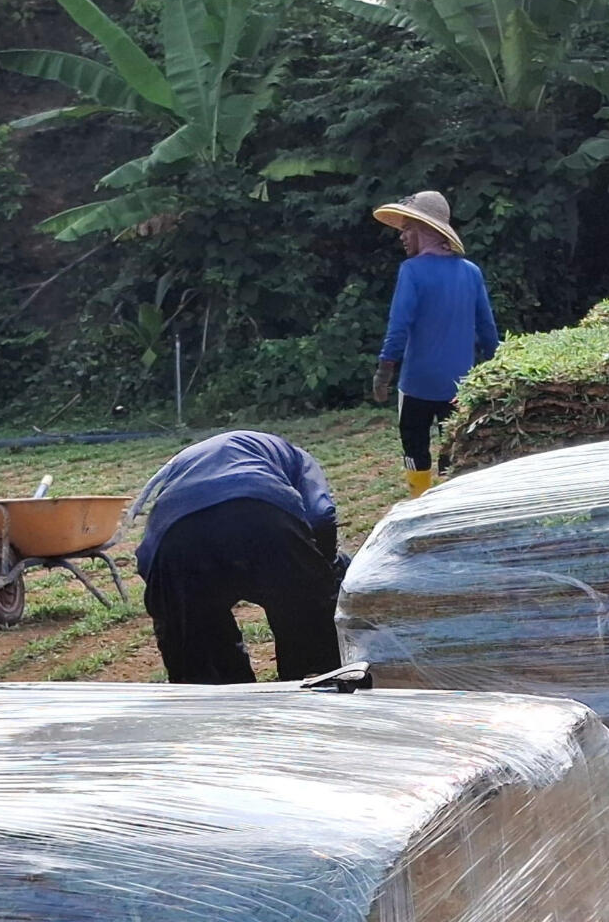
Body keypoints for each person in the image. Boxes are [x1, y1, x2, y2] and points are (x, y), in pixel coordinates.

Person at [129, 430, 343, 685]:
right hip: (264, 516)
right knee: (310, 631)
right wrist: (322, 570)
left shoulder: (178, 470)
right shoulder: (298, 457)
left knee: (201, 666)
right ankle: (314, 691)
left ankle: (221, 708)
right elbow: (321, 516)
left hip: (178, 537)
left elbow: (150, 560)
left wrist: (173, 600)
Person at [371, 190, 499, 495]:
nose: (402, 237)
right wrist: (497, 370)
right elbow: (487, 330)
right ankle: (454, 504)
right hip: (460, 384)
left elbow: (399, 326)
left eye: (407, 229)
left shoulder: (412, 271)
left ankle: (419, 501)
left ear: (427, 230)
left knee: (414, 446)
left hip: (416, 384)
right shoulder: (471, 273)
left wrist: (384, 372)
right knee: (455, 448)